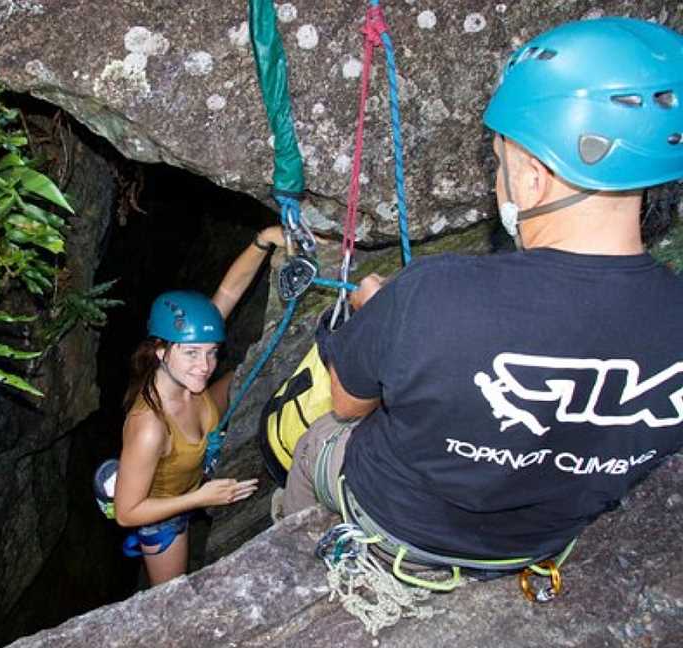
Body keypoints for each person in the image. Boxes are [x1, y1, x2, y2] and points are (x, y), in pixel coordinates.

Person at [282, 17, 683, 581]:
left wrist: (382, 323)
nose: (498, 179)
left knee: (313, 441)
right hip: (533, 542)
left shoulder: (433, 295)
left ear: (535, 178)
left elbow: (348, 405)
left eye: (500, 162)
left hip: (399, 523)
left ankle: (304, 563)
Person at [115, 225, 284, 585]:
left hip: (199, 438)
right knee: (170, 595)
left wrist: (263, 241)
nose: (204, 366)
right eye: (192, 353)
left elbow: (228, 290)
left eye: (211, 353)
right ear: (161, 351)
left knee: (253, 371)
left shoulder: (190, 374)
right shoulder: (149, 426)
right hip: (163, 511)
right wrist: (198, 498)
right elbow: (127, 512)